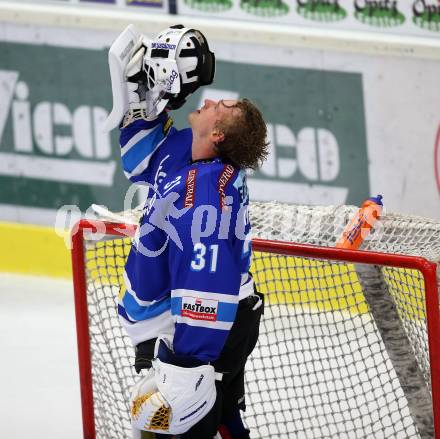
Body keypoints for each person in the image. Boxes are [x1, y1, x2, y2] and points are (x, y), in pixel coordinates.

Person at [107, 24, 268, 439]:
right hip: (176, 327)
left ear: (216, 135)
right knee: (225, 425)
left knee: (183, 429)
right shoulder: (182, 149)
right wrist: (151, 98)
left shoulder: (208, 198)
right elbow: (137, 162)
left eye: (222, 106)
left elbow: (206, 281)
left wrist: (186, 372)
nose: (211, 99)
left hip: (198, 334)